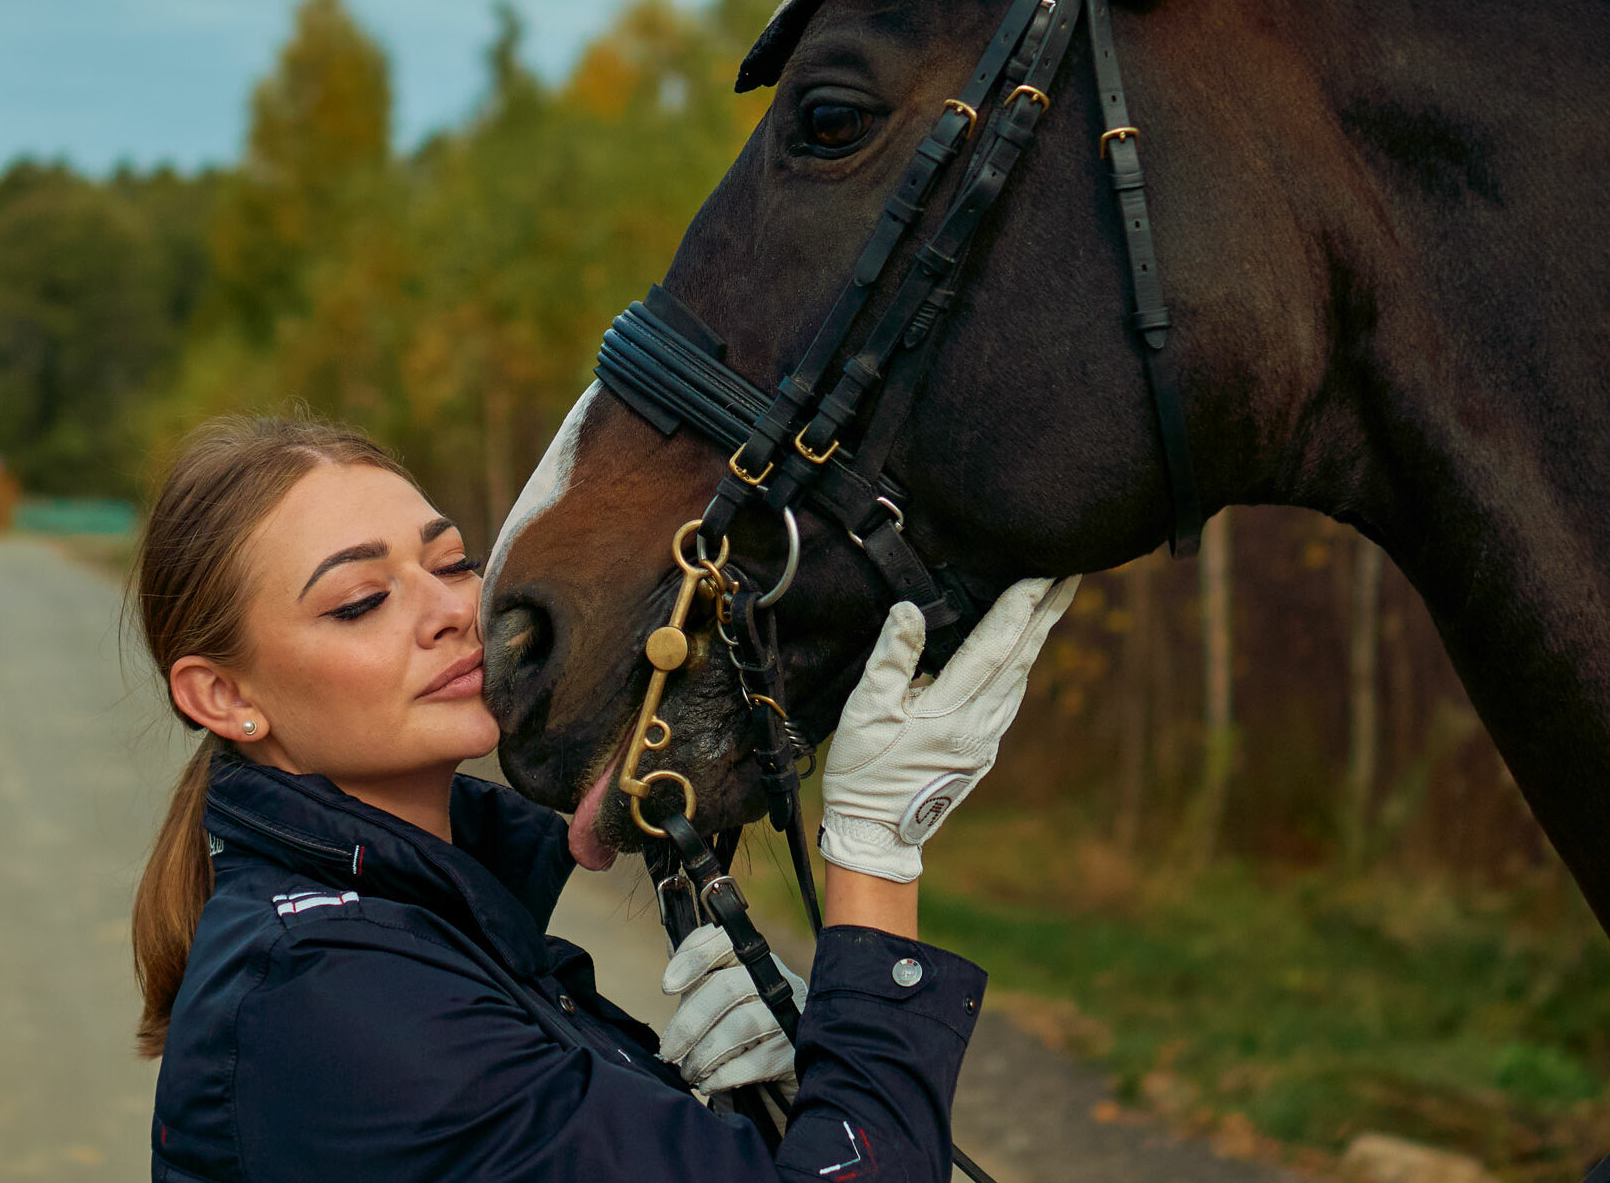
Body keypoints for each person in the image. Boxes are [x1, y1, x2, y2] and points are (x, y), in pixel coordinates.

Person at [131, 413, 1074, 1182]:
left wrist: (806, 1093)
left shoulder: (420, 924)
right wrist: (873, 852)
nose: (453, 611)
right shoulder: (328, 1001)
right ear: (225, 697)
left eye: (451, 561)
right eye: (359, 602)